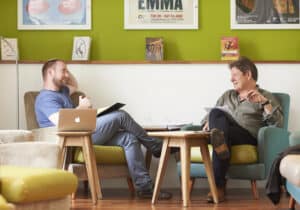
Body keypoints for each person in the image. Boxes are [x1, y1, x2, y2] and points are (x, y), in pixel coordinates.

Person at [35, 59, 172, 199]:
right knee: (120, 116)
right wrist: (81, 109)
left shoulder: (62, 91)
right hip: (74, 140)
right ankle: (155, 146)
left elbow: (74, 84)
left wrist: (65, 73)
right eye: (63, 70)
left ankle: (145, 188)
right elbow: (60, 122)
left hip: (85, 132)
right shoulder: (45, 98)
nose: (67, 74)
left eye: (67, 70)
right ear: (50, 72)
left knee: (129, 138)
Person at [201, 56, 283, 202]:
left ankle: (218, 187)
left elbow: (277, 125)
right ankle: (221, 145)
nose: (231, 79)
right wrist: (207, 122)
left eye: (235, 75)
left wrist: (265, 104)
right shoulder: (228, 95)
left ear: (248, 74)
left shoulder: (265, 96)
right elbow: (208, 117)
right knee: (215, 114)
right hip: (224, 133)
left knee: (220, 130)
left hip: (246, 135)